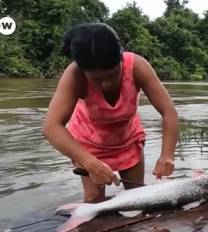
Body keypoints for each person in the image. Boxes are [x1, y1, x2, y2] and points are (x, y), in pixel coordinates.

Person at [42, 23, 178, 203]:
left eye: (113, 75)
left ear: (121, 59)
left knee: (137, 197)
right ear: (85, 71)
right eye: (96, 79)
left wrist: (167, 155)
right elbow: (51, 127)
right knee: (93, 200)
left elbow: (168, 111)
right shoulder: (74, 75)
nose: (106, 84)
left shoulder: (137, 66)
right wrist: (89, 162)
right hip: (89, 144)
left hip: (127, 139)